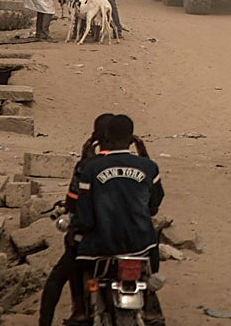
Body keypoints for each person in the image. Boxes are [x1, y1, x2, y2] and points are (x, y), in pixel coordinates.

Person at [74, 114, 165, 324]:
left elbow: (85, 216)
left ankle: (80, 309)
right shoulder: (149, 167)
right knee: (151, 260)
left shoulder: (90, 168)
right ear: (132, 139)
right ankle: (150, 305)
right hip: (141, 244)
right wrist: (144, 155)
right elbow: (155, 204)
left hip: (102, 243)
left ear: (105, 136)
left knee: (79, 265)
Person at [39, 113, 116, 326]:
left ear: (97, 137)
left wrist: (84, 160)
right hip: (130, 239)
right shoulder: (139, 164)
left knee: (59, 275)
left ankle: (77, 310)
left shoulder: (87, 167)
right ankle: (149, 310)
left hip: (93, 238)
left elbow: (72, 202)